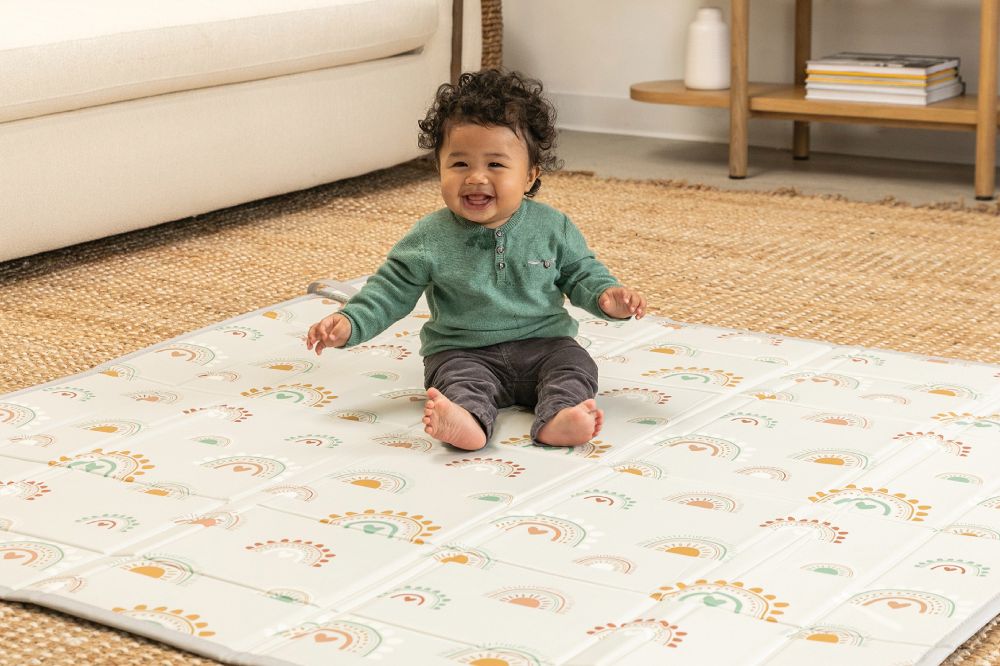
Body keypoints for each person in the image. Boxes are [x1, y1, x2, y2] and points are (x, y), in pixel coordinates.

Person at [305, 69, 645, 451]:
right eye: (460, 164)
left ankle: (560, 417)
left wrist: (608, 298)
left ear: (530, 175)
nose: (476, 178)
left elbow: (582, 273)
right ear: (439, 168)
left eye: (496, 165)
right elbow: (389, 290)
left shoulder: (553, 227)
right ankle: (465, 421)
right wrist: (350, 322)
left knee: (575, 367)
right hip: (461, 351)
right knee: (457, 382)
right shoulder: (430, 237)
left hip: (545, 345)